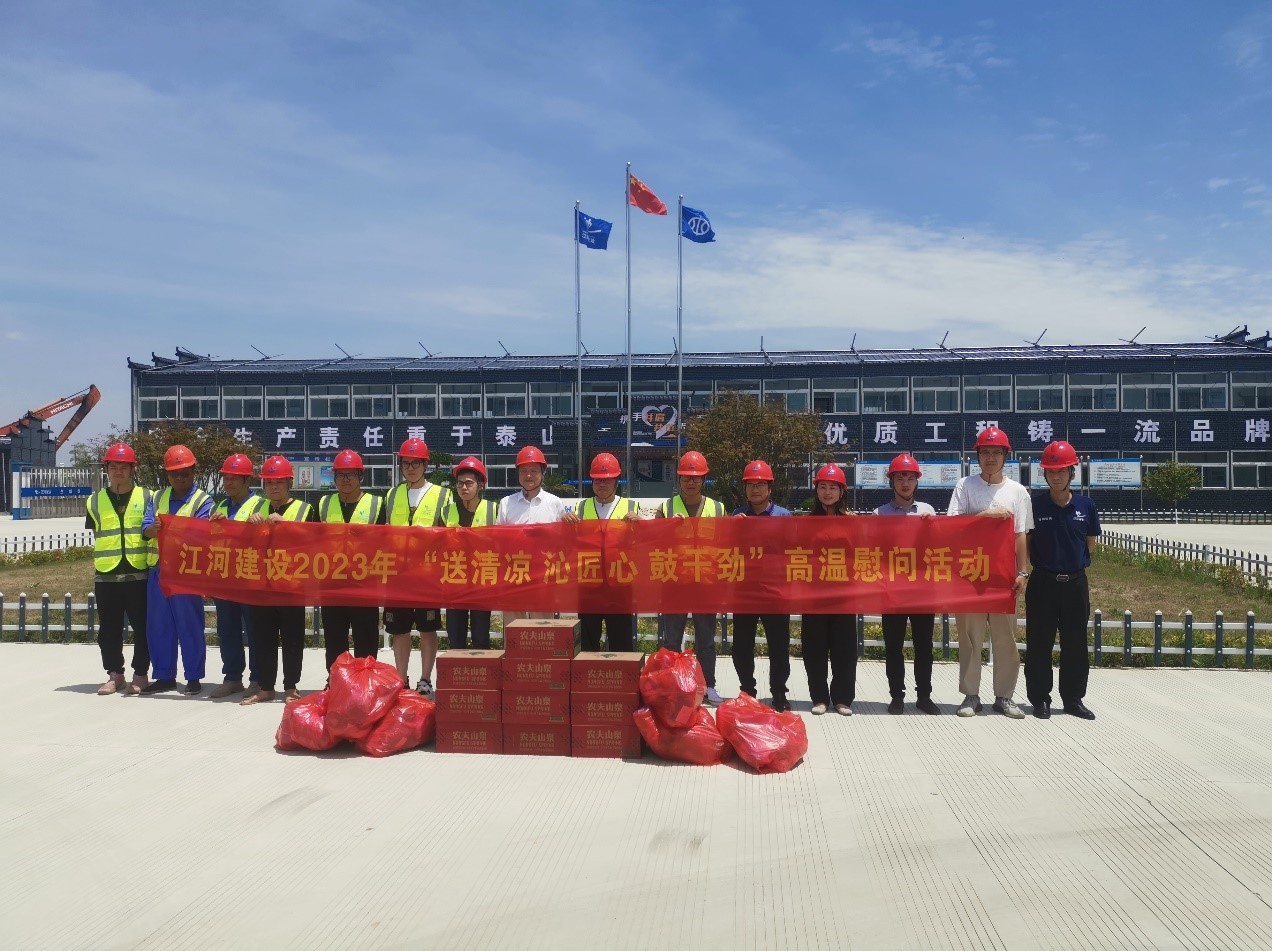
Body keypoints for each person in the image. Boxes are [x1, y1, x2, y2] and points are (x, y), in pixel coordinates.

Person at [946, 426, 1032, 719]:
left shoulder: (1017, 492)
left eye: (997, 452)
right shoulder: (965, 486)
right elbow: (953, 526)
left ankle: (1004, 696)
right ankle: (971, 695)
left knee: (1005, 638)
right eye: (985, 452)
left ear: (1006, 456)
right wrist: (985, 515)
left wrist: (1022, 572)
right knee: (970, 637)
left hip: (1003, 577)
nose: (991, 458)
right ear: (977, 456)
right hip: (970, 574)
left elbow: (1020, 535)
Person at [1025, 440, 1101, 721]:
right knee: (1039, 642)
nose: (1056, 476)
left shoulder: (1085, 505)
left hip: (1075, 584)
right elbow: (1027, 543)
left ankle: (1073, 698)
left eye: (1061, 471)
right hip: (1043, 582)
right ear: (1045, 474)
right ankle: (1040, 699)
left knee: (1075, 642)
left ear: (1072, 472)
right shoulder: (1034, 505)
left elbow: (1090, 543)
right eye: (1051, 471)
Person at [241, 456, 316, 705]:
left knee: (292, 638)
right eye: (269, 482)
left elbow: (315, 541)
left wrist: (288, 526)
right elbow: (241, 541)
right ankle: (266, 687)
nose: (274, 487)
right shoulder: (256, 509)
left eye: (279, 482)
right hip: (262, 586)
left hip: (291, 585)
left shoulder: (305, 510)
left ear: (289, 483)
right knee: (263, 638)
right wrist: (248, 526)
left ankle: (291, 687)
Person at [139, 444, 213, 695]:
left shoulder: (203, 500)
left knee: (189, 625)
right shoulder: (157, 498)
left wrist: (171, 528)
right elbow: (146, 529)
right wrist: (154, 529)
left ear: (193, 472)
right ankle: (164, 676)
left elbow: (201, 533)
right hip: (158, 571)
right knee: (159, 626)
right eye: (174, 473)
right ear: (167, 475)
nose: (180, 478)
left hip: (186, 572)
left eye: (185, 473)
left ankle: (193, 677)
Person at [656, 450, 727, 705]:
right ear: (679, 479)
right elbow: (654, 542)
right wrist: (667, 528)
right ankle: (673, 686)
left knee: (706, 640)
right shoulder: (666, 507)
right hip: (675, 583)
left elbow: (726, 543)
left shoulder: (718, 508)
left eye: (696, 477)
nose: (691, 482)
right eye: (686, 477)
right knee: (672, 640)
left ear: (704, 479)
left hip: (705, 584)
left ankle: (708, 686)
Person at [382, 438, 451, 697]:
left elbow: (450, 533)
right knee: (399, 630)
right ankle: (401, 680)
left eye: (416, 463)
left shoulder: (443, 495)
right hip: (398, 574)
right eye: (406, 463)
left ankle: (425, 680)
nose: (410, 468)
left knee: (427, 628)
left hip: (427, 575)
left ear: (425, 465)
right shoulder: (391, 495)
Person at [86, 442, 155, 695]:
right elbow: (97, 531)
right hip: (107, 575)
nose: (118, 471)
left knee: (143, 628)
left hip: (139, 573)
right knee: (108, 631)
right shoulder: (94, 501)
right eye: (113, 466)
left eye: (124, 467)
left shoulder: (147, 497)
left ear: (132, 469)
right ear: (106, 468)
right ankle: (115, 675)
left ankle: (140, 674)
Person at [875, 454, 940, 715]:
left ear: (917, 482)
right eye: (900, 477)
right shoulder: (880, 513)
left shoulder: (928, 511)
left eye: (910, 478)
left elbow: (939, 547)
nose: (905, 483)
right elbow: (874, 549)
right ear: (891, 481)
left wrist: (931, 528)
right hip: (893, 589)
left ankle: (924, 695)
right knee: (894, 646)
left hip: (922, 589)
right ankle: (897, 696)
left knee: (924, 646)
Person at [729, 459, 794, 712]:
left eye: (760, 484)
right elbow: (725, 551)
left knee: (779, 646)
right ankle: (747, 690)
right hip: (745, 592)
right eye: (750, 485)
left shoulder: (784, 516)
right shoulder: (737, 516)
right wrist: (733, 530)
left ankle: (779, 692)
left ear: (769, 488)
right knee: (741, 647)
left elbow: (794, 550)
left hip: (775, 592)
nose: (755, 489)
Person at [318, 449, 385, 671]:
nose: (345, 479)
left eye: (351, 474)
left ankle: (365, 682)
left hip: (364, 584)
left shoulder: (377, 504)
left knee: (366, 638)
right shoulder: (323, 504)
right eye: (340, 475)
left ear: (361, 476)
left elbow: (386, 542)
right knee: (334, 640)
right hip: (332, 583)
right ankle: (336, 681)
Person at [801, 462, 858, 716]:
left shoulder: (852, 522)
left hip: (844, 594)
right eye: (822, 487)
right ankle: (820, 697)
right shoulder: (806, 522)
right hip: (814, 594)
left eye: (833, 488)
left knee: (844, 648)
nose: (827, 492)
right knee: (814, 647)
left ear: (841, 491)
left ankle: (843, 698)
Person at [207, 453, 265, 699]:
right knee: (227, 629)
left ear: (247, 480)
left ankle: (258, 679)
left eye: (234, 478)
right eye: (226, 478)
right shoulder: (219, 507)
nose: (228, 483)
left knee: (255, 630)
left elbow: (270, 539)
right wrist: (213, 525)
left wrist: (259, 525)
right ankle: (232, 678)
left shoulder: (260, 505)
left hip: (250, 577)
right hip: (225, 577)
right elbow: (210, 541)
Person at [496, 445, 572, 627]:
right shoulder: (506, 503)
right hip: (514, 572)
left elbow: (562, 540)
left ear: (542, 473)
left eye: (533, 471)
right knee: (514, 628)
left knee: (542, 628)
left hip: (543, 574)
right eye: (524, 471)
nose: (528, 475)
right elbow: (499, 539)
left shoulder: (554, 503)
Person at [577, 452, 639, 652]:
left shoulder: (631, 506)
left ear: (616, 481)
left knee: (621, 640)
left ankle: (621, 673)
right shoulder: (581, 507)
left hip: (619, 584)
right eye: (597, 480)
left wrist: (640, 523)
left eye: (607, 480)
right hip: (589, 582)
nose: (602, 484)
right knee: (588, 641)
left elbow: (644, 542)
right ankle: (589, 673)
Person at [441, 456, 498, 649]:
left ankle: (480, 669)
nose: (463, 488)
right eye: (460, 483)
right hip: (454, 580)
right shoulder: (446, 512)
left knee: (481, 636)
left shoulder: (493, 510)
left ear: (480, 485)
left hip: (482, 580)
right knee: (455, 637)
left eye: (469, 483)